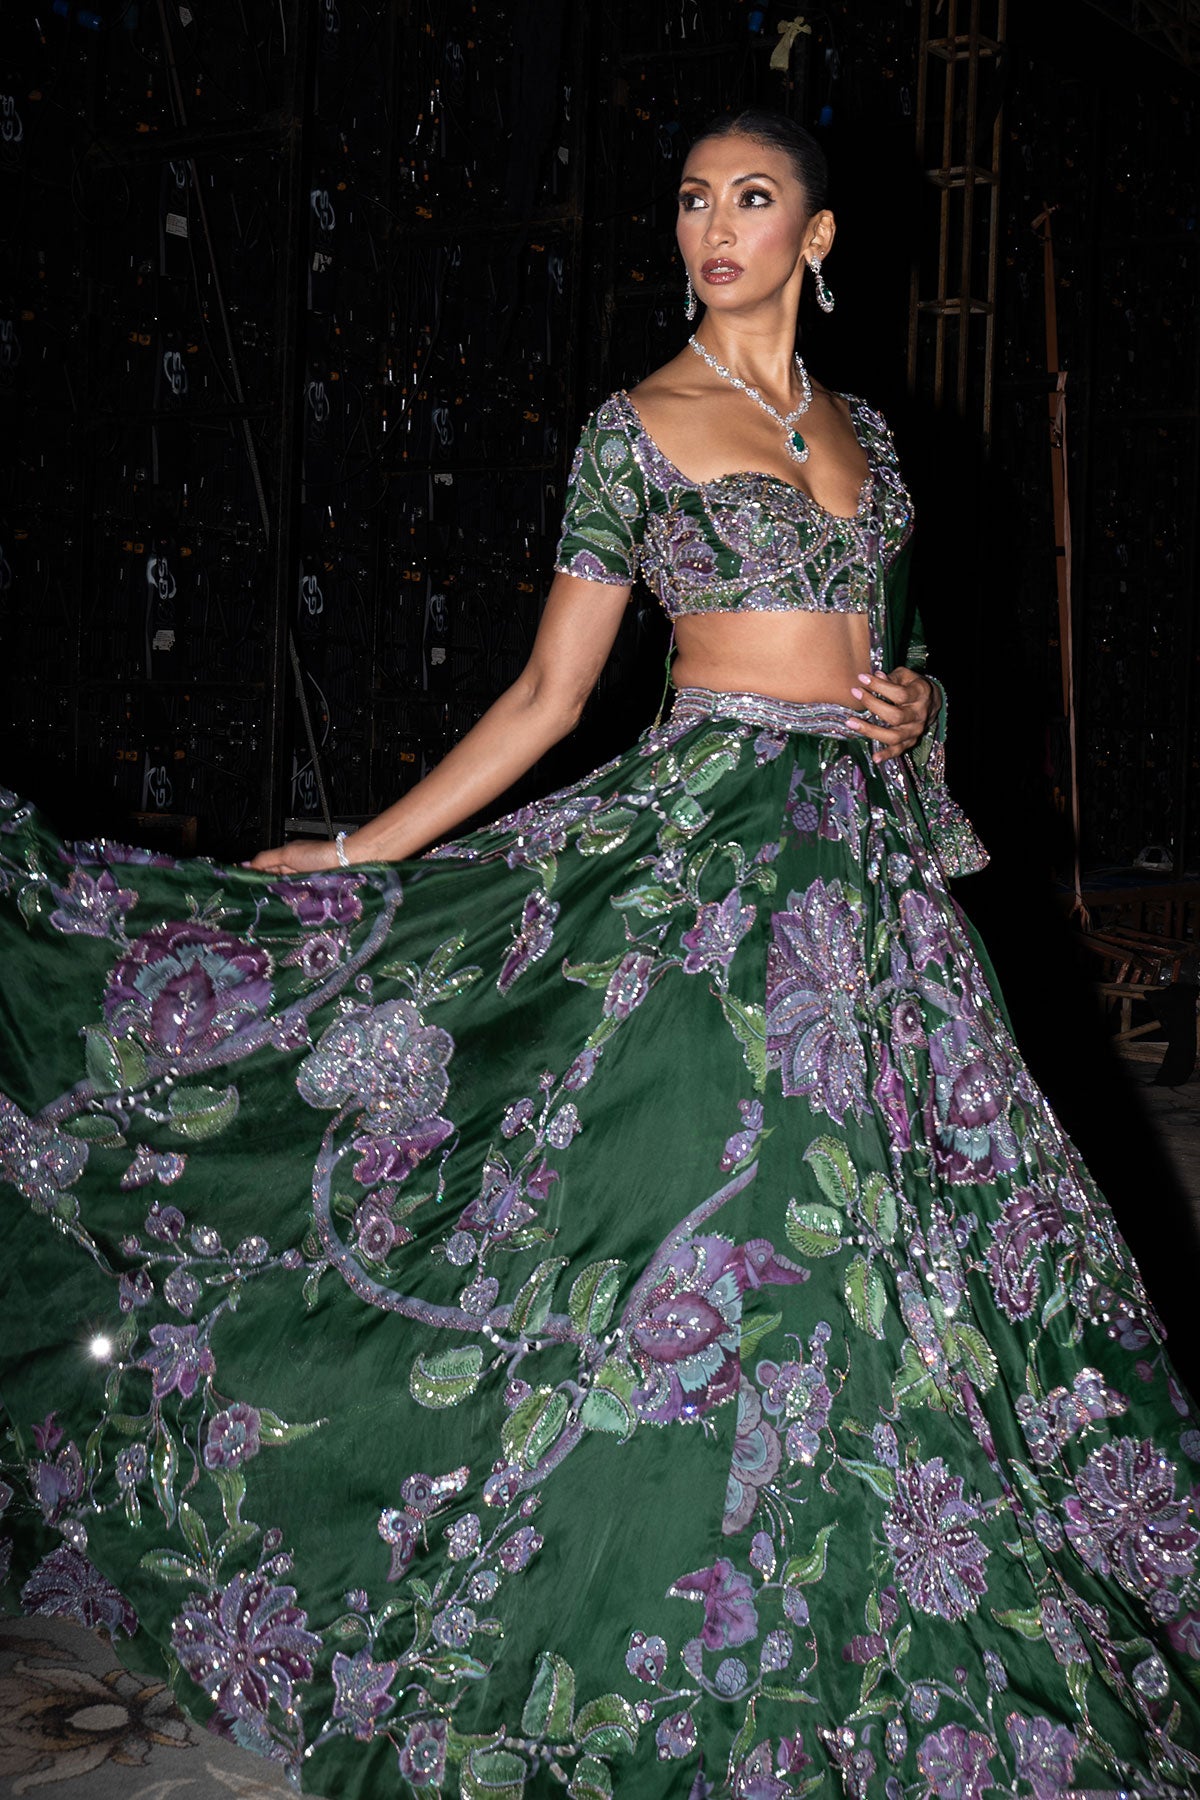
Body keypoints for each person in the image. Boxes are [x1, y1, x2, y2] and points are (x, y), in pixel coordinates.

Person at [1, 107, 1198, 1800]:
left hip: (865, 885)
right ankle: (659, 1598)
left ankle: (875, 1576)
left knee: (917, 1235)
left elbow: (901, 657)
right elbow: (548, 696)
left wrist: (919, 703)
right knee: (704, 1211)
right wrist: (358, 851)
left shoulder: (873, 438)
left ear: (819, 237)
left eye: (753, 198)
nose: (716, 227)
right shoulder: (635, 431)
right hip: (709, 861)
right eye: (695, 200)